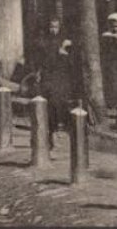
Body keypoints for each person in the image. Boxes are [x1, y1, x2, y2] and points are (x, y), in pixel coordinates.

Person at [29, 17, 77, 151]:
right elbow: (42, 59)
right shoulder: (44, 41)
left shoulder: (66, 41)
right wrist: (58, 51)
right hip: (48, 78)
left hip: (62, 79)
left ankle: (57, 132)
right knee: (50, 105)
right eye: (51, 27)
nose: (53, 30)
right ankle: (50, 135)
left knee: (59, 105)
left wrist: (64, 53)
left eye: (56, 27)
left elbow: (72, 61)